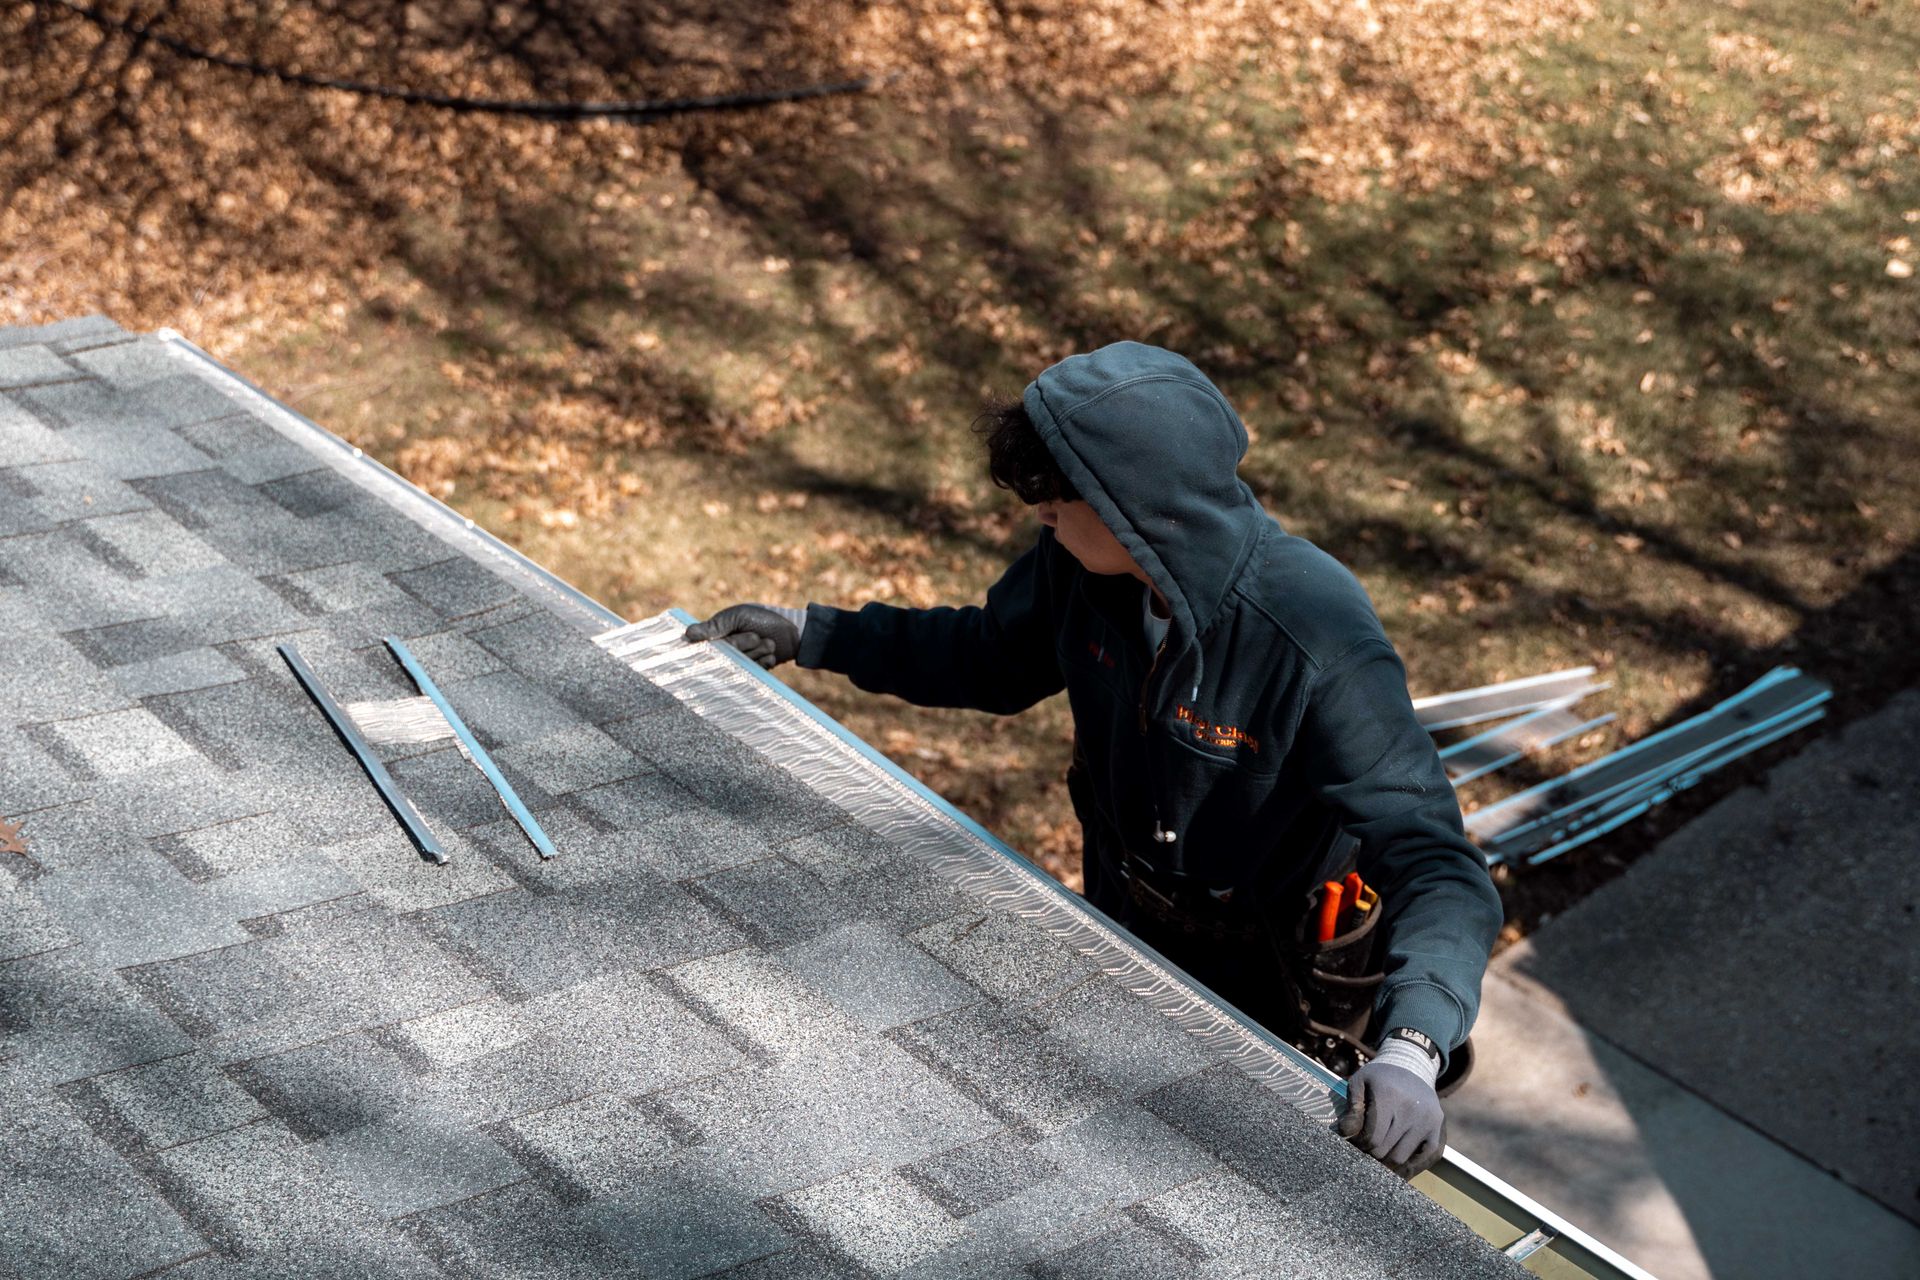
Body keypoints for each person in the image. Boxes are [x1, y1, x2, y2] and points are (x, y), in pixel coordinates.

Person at [685, 342, 1502, 1178]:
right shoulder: (1083, 569)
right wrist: (813, 632)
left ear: (1133, 505)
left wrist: (1410, 1049)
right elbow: (987, 658)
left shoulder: (1311, 637)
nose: (1038, 513)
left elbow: (1435, 863)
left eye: (1054, 497)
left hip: (1270, 975)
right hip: (1123, 919)